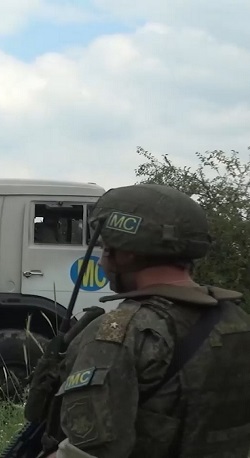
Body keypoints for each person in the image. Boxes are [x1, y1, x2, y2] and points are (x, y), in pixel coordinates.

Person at [40, 183, 250, 458]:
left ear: (127, 253)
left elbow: (89, 451)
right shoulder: (236, 319)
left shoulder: (120, 332)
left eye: (105, 248)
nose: (101, 262)